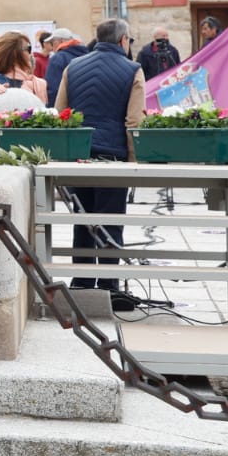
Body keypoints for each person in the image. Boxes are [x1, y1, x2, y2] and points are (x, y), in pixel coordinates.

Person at [54, 19, 146, 303]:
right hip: (113, 156)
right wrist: (134, 161)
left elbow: (60, 111)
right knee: (110, 220)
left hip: (79, 156)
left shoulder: (73, 67)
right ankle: (108, 285)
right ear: (123, 41)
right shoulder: (133, 70)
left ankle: (82, 282)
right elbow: (134, 120)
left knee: (82, 219)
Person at [0, 31, 48, 108]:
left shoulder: (33, 81)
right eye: (28, 48)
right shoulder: (0, 79)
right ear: (14, 53)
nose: (31, 53)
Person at [43, 27, 88, 104]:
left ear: (59, 41)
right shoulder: (86, 55)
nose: (51, 47)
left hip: (66, 110)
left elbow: (53, 89)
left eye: (52, 43)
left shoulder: (57, 58)